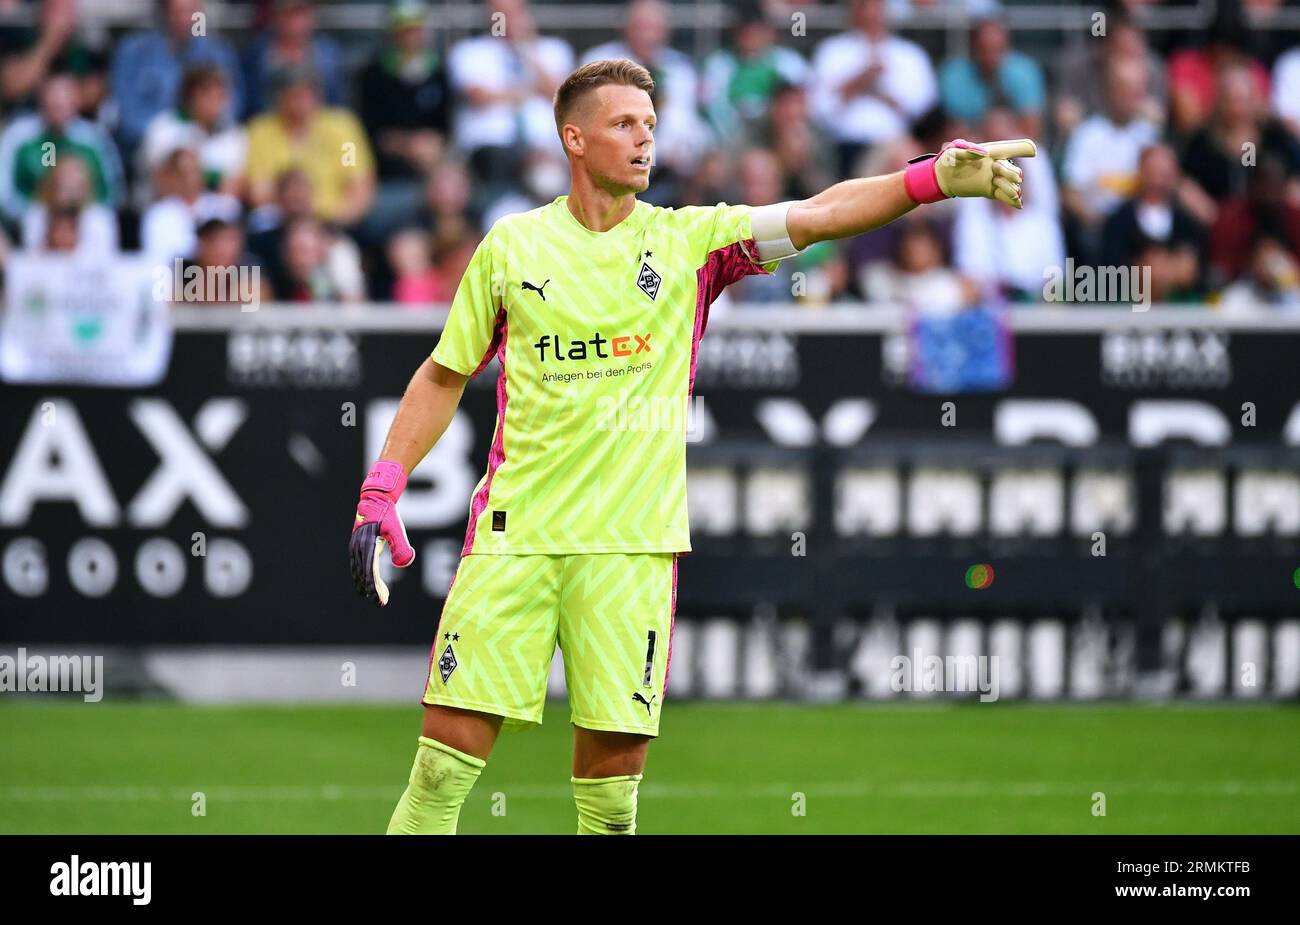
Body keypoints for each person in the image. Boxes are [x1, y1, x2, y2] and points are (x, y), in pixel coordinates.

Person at [348, 58, 1033, 835]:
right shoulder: (513, 247)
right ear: (574, 139)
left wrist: (929, 181)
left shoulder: (689, 241)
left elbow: (819, 214)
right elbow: (444, 374)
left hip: (632, 550)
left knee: (609, 806)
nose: (645, 139)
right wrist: (383, 486)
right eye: (623, 124)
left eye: (650, 123)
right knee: (439, 770)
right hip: (515, 538)